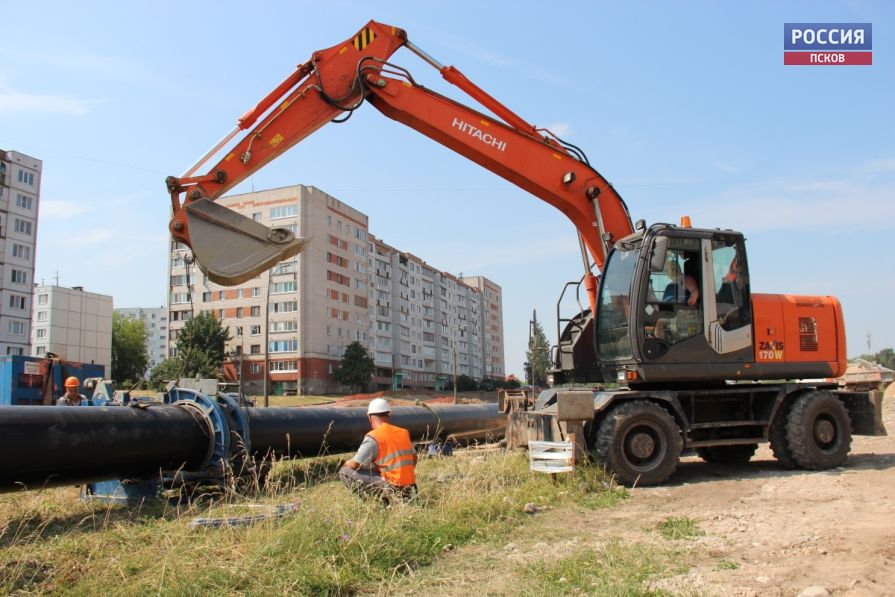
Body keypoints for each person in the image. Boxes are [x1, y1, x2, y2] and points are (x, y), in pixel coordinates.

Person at [339, 398, 418, 501]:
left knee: (345, 471)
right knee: (372, 467)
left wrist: (346, 463)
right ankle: (400, 498)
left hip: (393, 489)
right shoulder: (403, 433)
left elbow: (354, 464)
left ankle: (377, 502)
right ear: (388, 415)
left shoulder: (374, 437)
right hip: (410, 488)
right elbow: (414, 458)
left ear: (369, 417)